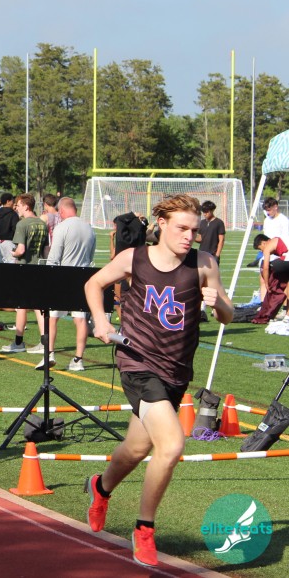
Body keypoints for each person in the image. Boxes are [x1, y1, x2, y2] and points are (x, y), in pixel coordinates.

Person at [82, 194, 232, 567]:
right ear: (161, 224)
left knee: (136, 449)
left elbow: (227, 315)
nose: (189, 237)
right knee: (172, 444)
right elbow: (93, 284)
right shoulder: (134, 258)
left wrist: (217, 302)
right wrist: (100, 321)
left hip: (176, 372)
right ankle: (144, 529)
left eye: (194, 231)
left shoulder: (204, 263)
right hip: (137, 363)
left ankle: (100, 488)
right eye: (182, 228)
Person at [43, 197, 97, 371]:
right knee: (80, 320)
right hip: (83, 277)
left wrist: (49, 278)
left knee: (52, 317)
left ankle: (50, 354)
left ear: (62, 211)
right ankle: (78, 359)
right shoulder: (89, 228)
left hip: (63, 277)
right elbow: (90, 256)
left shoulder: (62, 227)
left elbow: (54, 257)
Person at [0, 194, 48, 354]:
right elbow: (46, 251)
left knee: (21, 306)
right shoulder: (42, 224)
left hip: (25, 268)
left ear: (26, 206)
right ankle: (44, 342)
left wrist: (12, 253)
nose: (16, 208)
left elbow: (20, 250)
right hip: (40, 268)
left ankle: (19, 342)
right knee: (39, 307)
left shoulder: (22, 224)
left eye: (19, 205)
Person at [196, 200, 225, 322]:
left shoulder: (219, 223)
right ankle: (202, 310)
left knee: (213, 283)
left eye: (206, 212)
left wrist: (217, 255)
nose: (205, 214)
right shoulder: (202, 223)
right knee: (201, 282)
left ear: (212, 210)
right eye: (203, 212)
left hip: (212, 255)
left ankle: (215, 308)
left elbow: (221, 240)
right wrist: (192, 236)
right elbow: (200, 238)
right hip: (202, 255)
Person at [251, 234, 289, 323]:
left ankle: (268, 312)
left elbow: (266, 267)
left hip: (283, 263)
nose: (262, 251)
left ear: (264, 243)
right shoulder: (278, 240)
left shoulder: (268, 246)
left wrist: (267, 283)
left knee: (276, 287)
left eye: (261, 249)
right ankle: (286, 315)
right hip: (284, 262)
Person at [0, 192, 19, 263]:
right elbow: (15, 229)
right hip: (9, 242)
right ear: (8, 201)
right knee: (12, 263)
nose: (13, 202)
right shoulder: (13, 214)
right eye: (12, 201)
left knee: (0, 265)